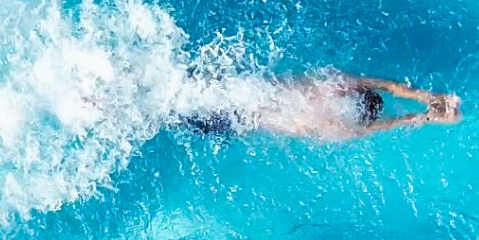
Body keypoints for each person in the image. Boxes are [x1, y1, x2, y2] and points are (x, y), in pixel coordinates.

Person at [183, 74, 459, 143]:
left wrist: (427, 96)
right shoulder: (338, 128)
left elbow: (386, 86)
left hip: (237, 90)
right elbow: (388, 124)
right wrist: (426, 117)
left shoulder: (326, 85)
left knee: (188, 88)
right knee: (178, 115)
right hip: (237, 120)